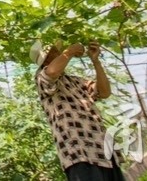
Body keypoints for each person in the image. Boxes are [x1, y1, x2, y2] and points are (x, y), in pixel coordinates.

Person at [30, 40, 125, 181]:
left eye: (58, 51)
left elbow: (104, 92)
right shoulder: (42, 79)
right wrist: (71, 50)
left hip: (102, 149)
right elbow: (52, 71)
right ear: (45, 61)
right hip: (78, 153)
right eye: (54, 53)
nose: (60, 53)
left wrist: (95, 61)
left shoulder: (76, 81)